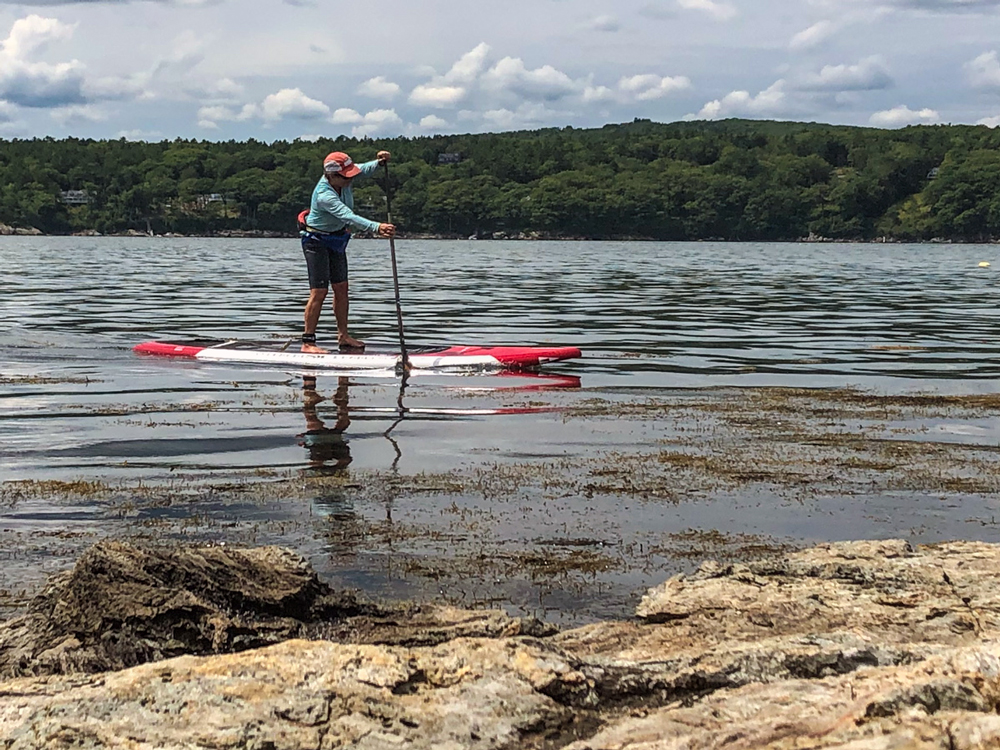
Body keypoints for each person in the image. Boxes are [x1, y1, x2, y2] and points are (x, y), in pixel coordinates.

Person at [299, 150, 395, 353]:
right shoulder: (325, 195)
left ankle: (343, 336)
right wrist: (377, 227)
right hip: (316, 241)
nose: (350, 180)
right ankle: (308, 342)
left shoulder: (343, 175)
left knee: (342, 289)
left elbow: (363, 170)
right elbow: (348, 216)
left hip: (336, 239)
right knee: (319, 292)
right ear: (332, 176)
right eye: (346, 177)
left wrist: (379, 162)